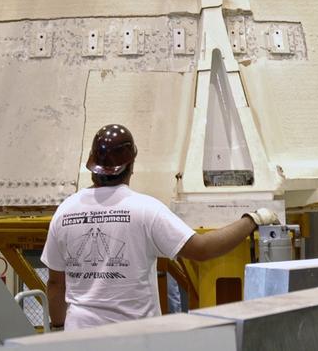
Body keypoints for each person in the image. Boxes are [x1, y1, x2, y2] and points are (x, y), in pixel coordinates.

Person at [43, 124, 279, 330]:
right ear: (131, 165)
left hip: (78, 337)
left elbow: (55, 283)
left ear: (92, 165)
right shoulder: (145, 209)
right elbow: (202, 249)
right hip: (134, 338)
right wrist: (253, 220)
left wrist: (58, 328)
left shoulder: (64, 211)